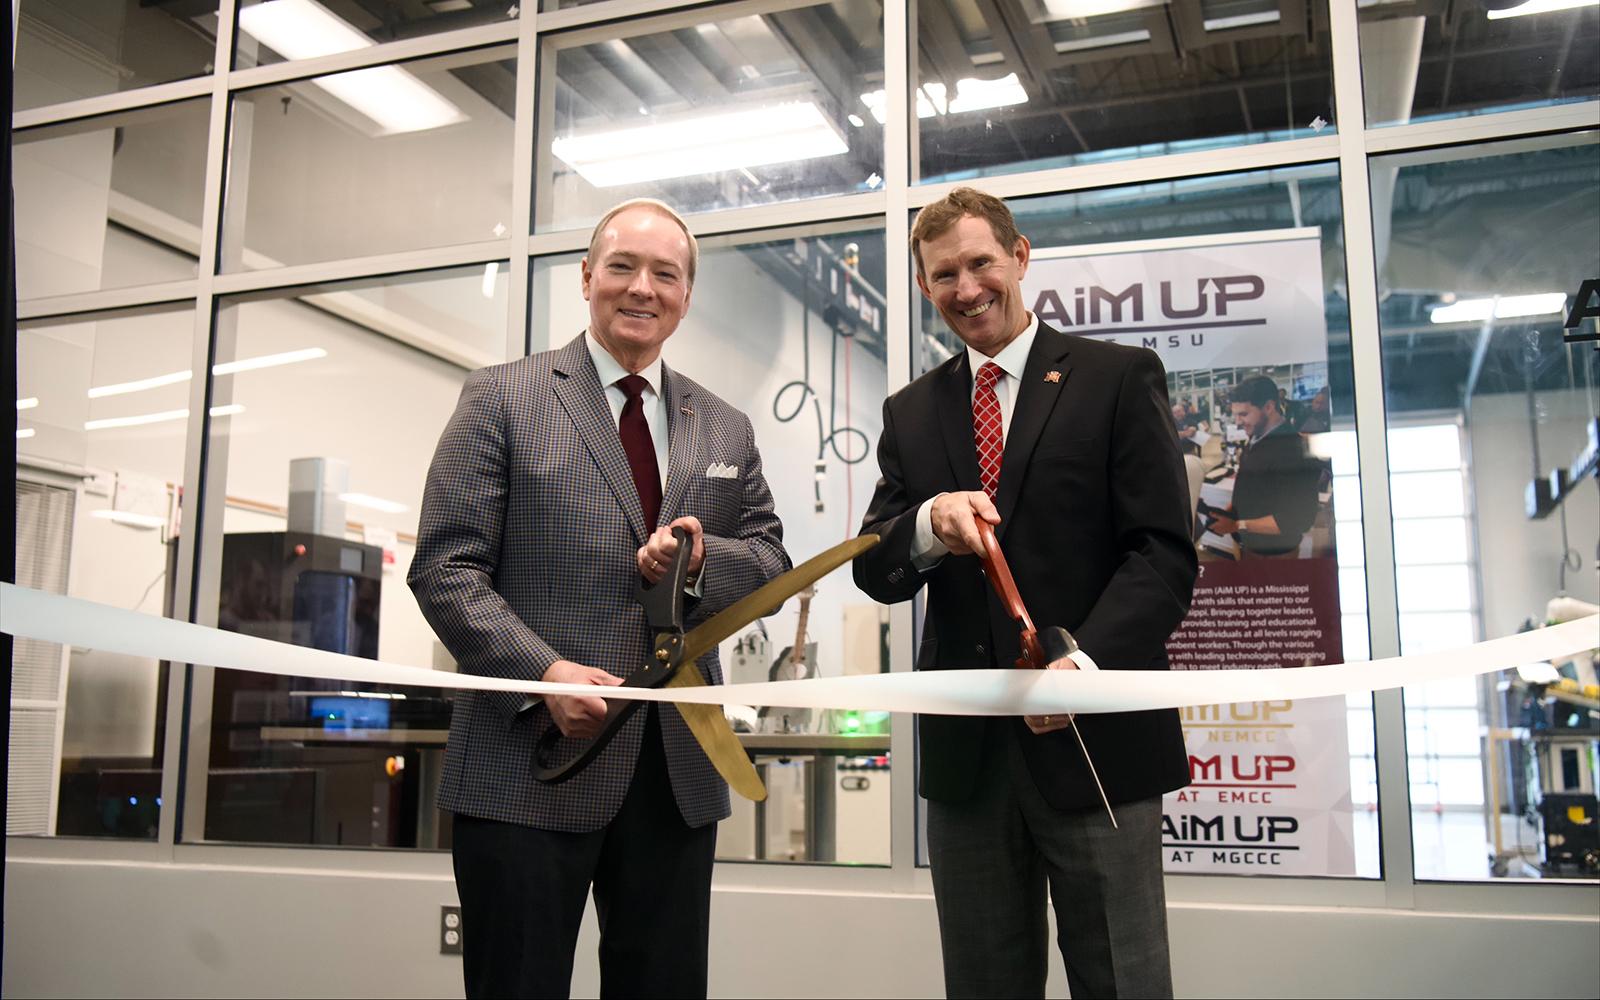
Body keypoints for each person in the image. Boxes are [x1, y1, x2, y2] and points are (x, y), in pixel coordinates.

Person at [408, 198, 790, 999]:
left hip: (673, 771)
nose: (641, 288)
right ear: (586, 277)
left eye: (666, 273)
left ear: (686, 296)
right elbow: (446, 567)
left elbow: (767, 564)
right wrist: (543, 673)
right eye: (622, 266)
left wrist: (695, 565)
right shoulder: (502, 397)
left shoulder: (724, 428)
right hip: (527, 766)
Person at [853, 187, 1197, 999]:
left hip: (1096, 745)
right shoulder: (910, 413)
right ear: (923, 287)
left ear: (1020, 256)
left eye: (980, 263)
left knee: (1123, 979)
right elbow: (877, 570)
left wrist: (1081, 670)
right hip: (970, 766)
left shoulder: (1117, 378)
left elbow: (1164, 556)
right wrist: (931, 523)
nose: (966, 288)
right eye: (944, 275)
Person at [1206, 374, 1323, 558]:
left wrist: (1237, 525)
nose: (1237, 421)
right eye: (1235, 414)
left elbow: (1297, 519)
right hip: (1248, 546)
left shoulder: (1292, 450)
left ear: (1268, 407)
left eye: (1243, 414)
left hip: (1274, 555)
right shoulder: (1257, 436)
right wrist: (1230, 511)